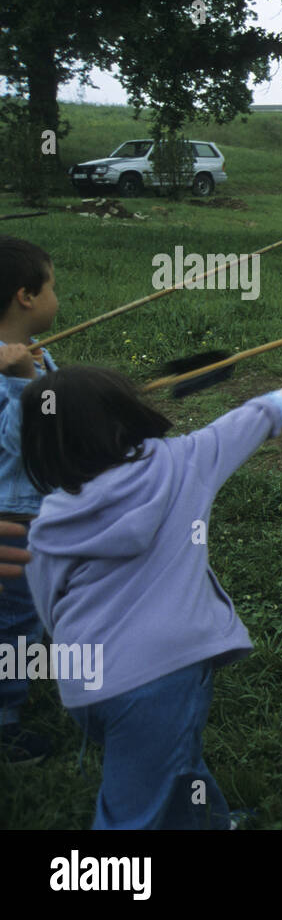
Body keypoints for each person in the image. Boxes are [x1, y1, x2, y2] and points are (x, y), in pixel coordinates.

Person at [22, 366, 282, 828]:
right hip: (161, 676)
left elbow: (48, 603)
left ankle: (207, 821)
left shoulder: (49, 522)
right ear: (126, 416)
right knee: (133, 809)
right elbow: (238, 428)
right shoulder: (181, 462)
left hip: (87, 679)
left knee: (169, 755)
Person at [0, 235, 60, 764]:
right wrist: (25, 384)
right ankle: (4, 721)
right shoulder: (9, 373)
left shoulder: (32, 357)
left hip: (37, 508)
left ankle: (28, 675)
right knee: (12, 618)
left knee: (32, 610)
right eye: (52, 288)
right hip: (11, 520)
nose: (56, 299)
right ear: (26, 296)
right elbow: (24, 440)